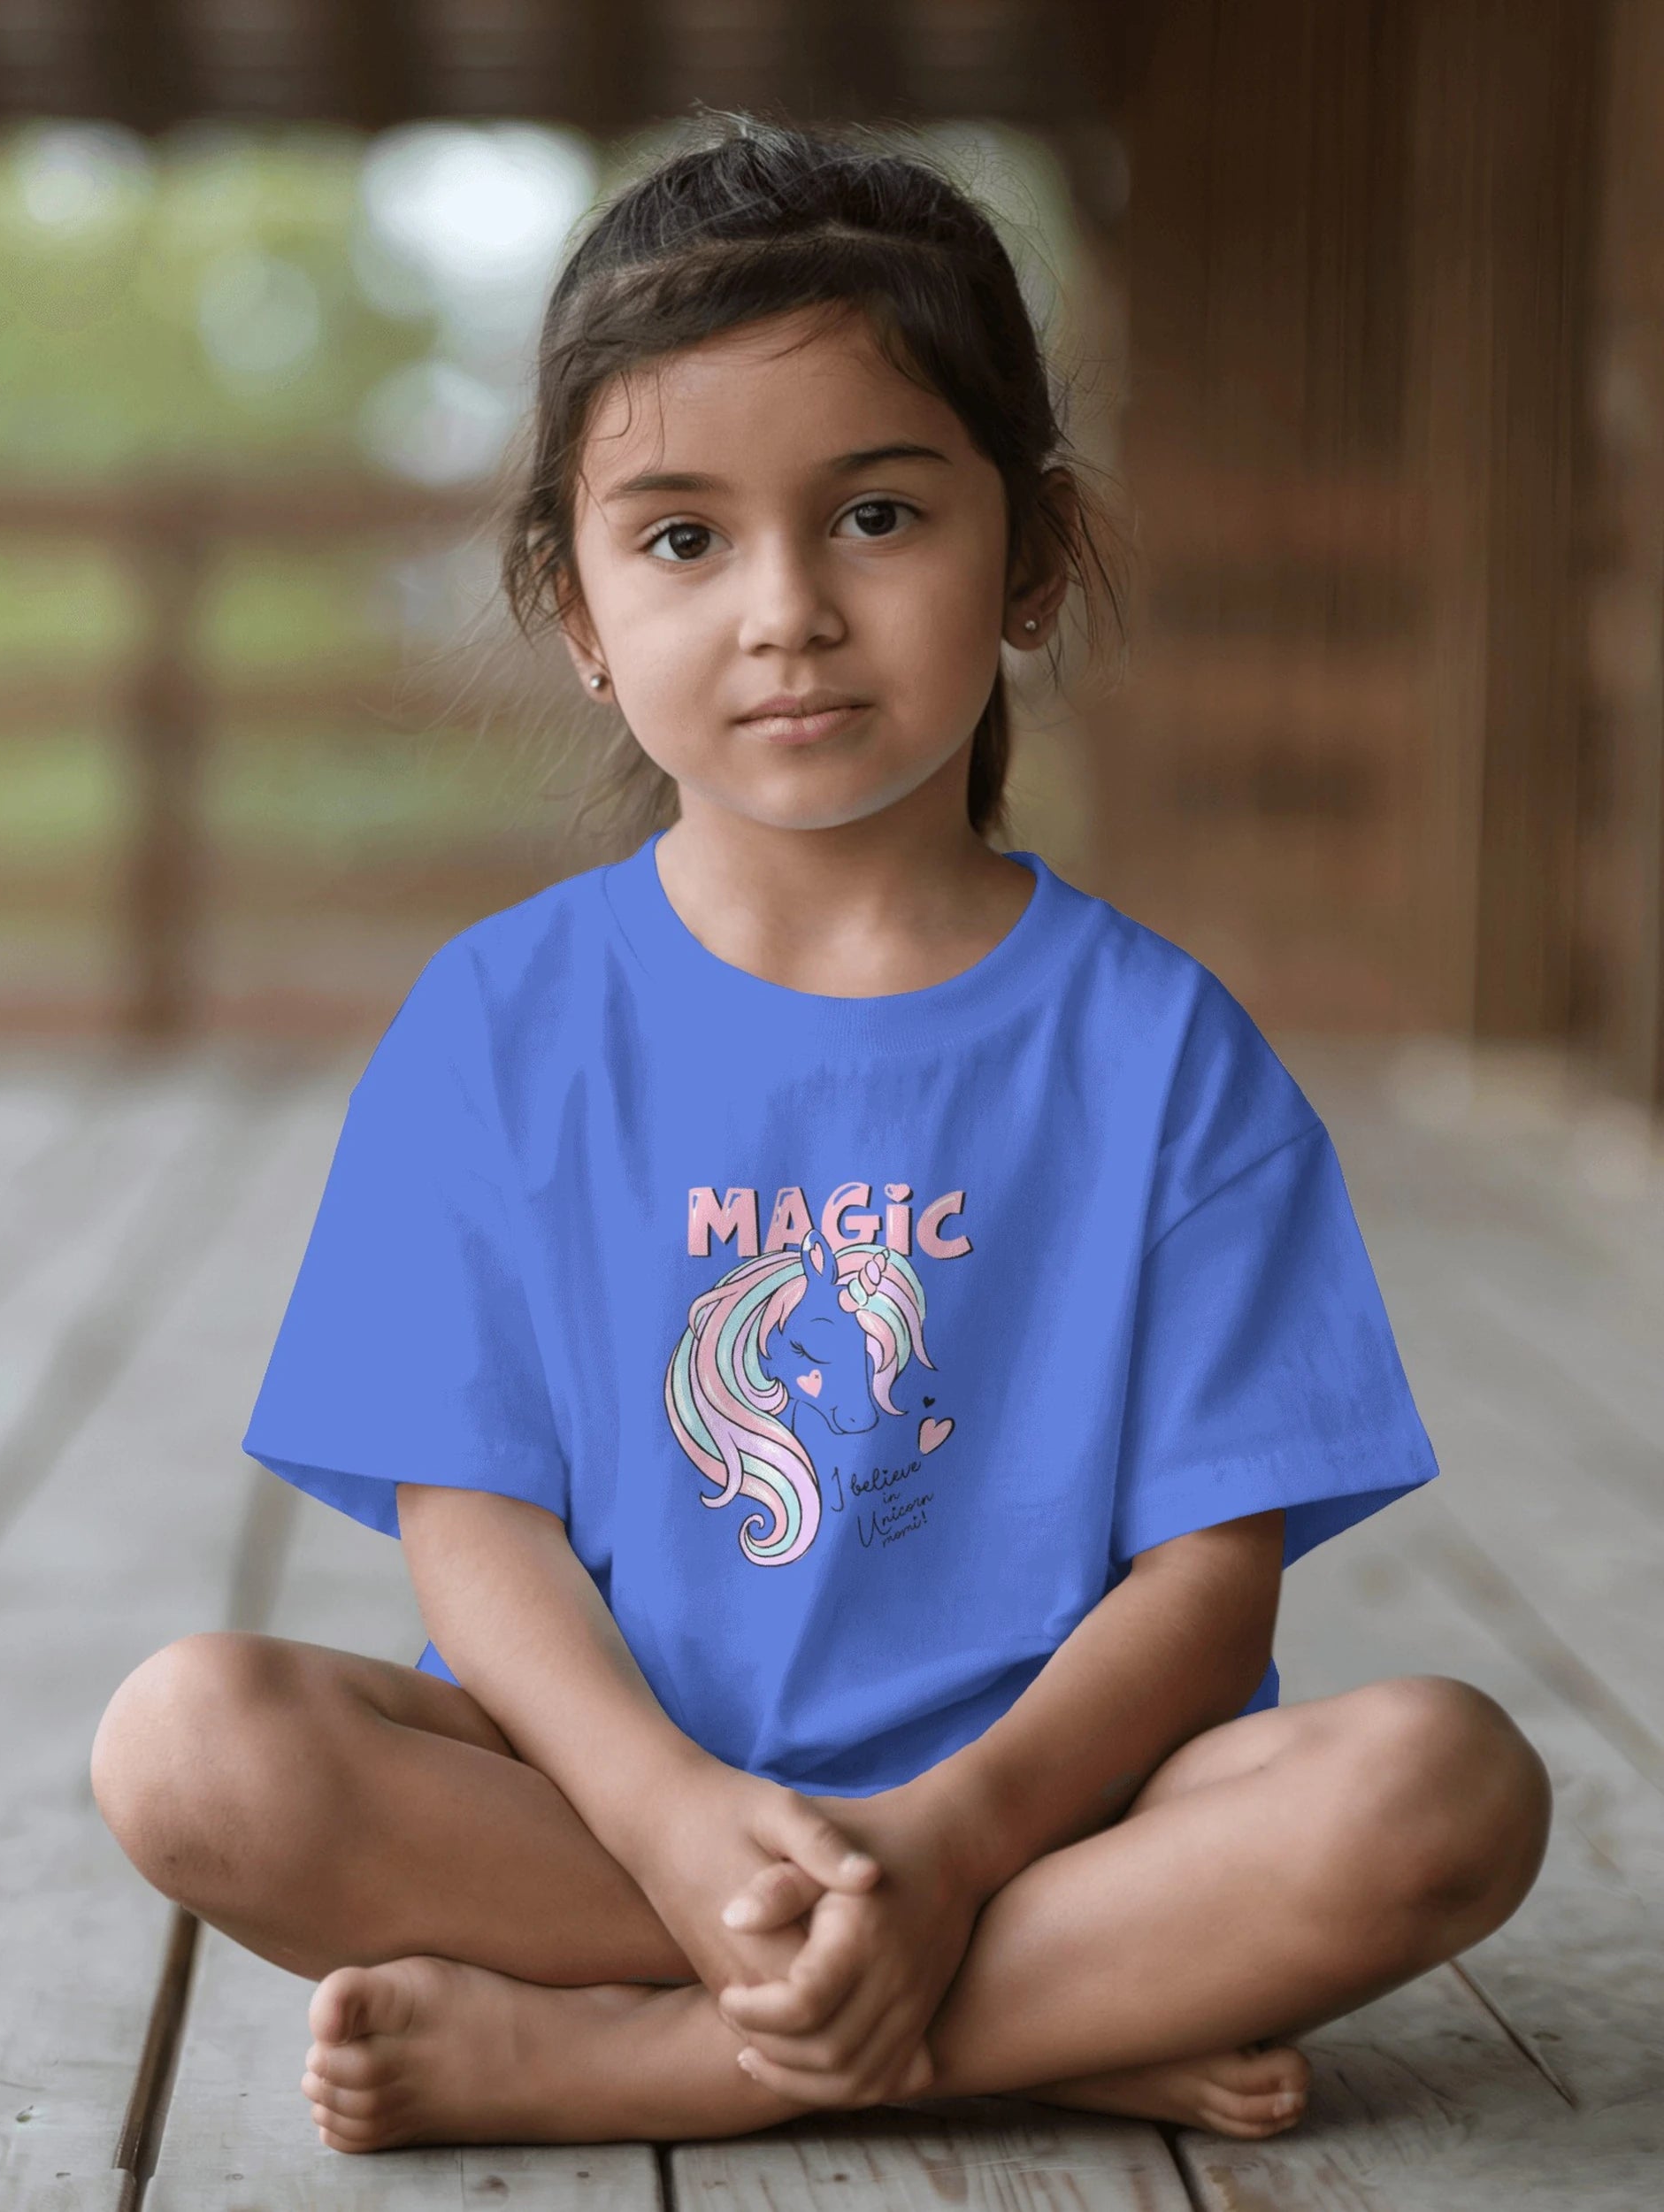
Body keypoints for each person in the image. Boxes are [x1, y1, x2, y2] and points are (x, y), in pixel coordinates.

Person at [88, 113, 1552, 2156]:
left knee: (1444, 1783)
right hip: (601, 1807)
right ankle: (1044, 2022)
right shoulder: (500, 1023)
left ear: (1028, 553)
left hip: (1049, 1820)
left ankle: (629, 2057)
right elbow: (473, 1522)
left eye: (876, 515)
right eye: (682, 536)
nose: (785, 607)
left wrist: (950, 1845)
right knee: (191, 1745)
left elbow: (1210, 1575)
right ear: (576, 602)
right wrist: (677, 1819)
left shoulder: (1158, 1048)